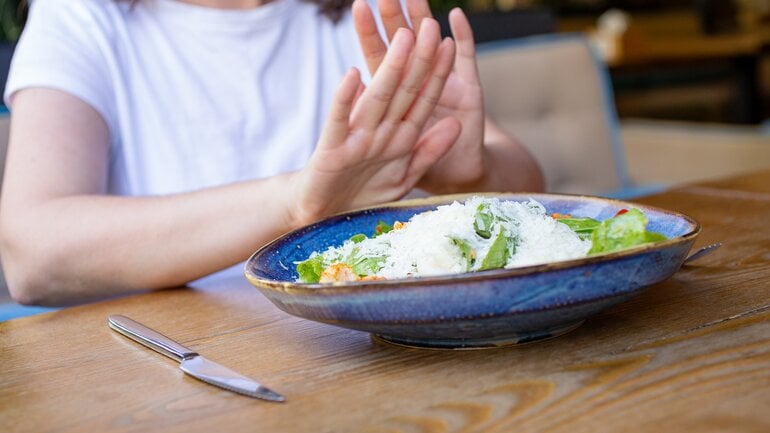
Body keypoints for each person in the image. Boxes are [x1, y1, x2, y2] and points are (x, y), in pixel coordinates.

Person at [0, 0, 543, 306]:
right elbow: (31, 254)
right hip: (169, 365)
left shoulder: (367, 12)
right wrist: (294, 203)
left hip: (365, 348)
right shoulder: (81, 16)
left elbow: (528, 187)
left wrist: (469, 175)